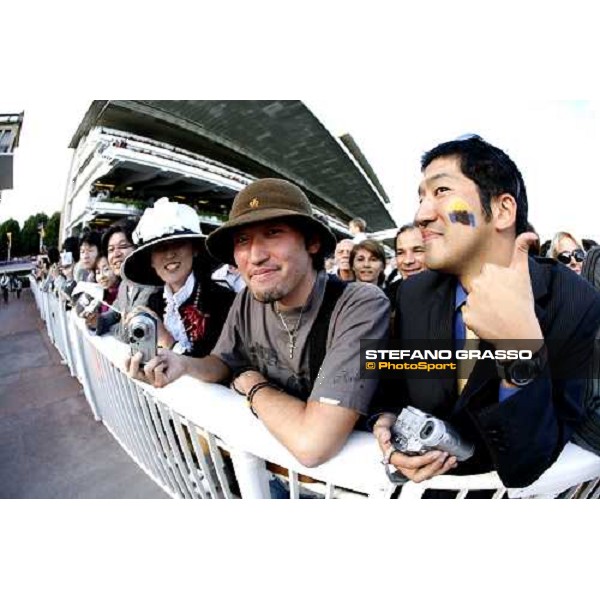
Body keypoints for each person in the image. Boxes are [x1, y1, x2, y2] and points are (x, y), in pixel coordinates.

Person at [371, 135, 600, 488]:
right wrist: (384, 419)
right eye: (420, 197)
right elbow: (395, 381)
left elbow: (530, 460)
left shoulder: (572, 300)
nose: (421, 215)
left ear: (504, 210)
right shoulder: (413, 293)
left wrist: (520, 347)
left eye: (441, 191)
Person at [128, 179, 390, 468]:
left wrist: (256, 387)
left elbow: (314, 444)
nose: (255, 255)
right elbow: (221, 362)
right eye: (242, 240)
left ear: (312, 242)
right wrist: (182, 364)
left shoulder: (359, 304)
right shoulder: (247, 301)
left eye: (273, 233)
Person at [122, 198, 235, 357]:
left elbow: (219, 366)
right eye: (160, 248)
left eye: (178, 243)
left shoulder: (223, 300)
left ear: (194, 249)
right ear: (151, 261)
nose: (169, 254)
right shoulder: (153, 302)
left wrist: (167, 340)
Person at [86, 223, 159, 340]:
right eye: (111, 250)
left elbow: (128, 334)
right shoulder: (124, 284)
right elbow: (113, 314)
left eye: (123, 246)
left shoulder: (151, 286)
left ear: (138, 248)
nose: (116, 254)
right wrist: (96, 321)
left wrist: (112, 328)